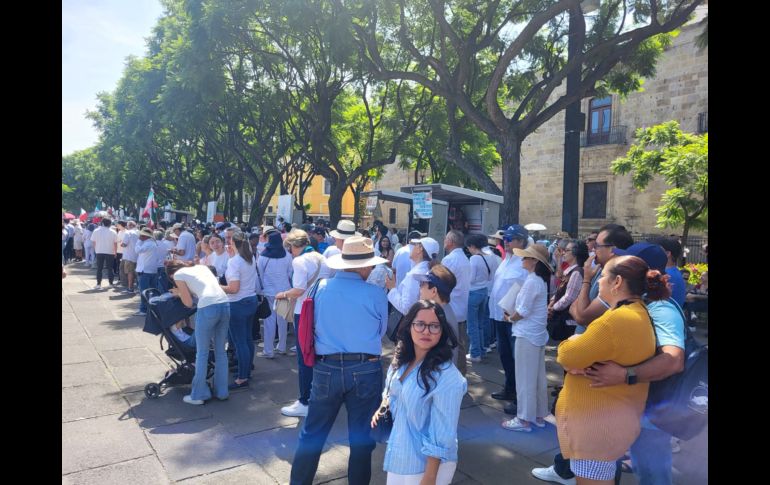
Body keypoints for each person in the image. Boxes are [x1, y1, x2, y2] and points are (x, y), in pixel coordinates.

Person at [554, 255, 664, 484]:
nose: (599, 283)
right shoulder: (638, 312)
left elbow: (566, 355)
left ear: (617, 282)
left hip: (596, 428)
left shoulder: (614, 320)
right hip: (611, 421)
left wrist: (573, 345)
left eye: (603, 277)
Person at [289, 236, 389, 485]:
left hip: (326, 367)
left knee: (312, 434)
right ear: (364, 266)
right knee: (362, 440)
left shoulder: (320, 287)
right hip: (365, 368)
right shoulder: (376, 293)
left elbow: (310, 324)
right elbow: (381, 331)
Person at [375, 300, 467, 485]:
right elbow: (391, 389)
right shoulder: (402, 359)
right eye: (420, 324)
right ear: (409, 326)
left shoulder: (448, 378)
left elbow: (443, 432)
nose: (426, 331)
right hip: (400, 452)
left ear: (442, 331)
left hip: (425, 465)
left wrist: (430, 477)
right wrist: (383, 406)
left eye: (434, 326)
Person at [275, 229, 331, 417]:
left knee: (304, 356)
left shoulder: (299, 261)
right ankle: (318, 397)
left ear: (292, 245)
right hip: (322, 310)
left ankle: (305, 401)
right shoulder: (322, 258)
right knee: (319, 355)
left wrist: (283, 294)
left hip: (304, 312)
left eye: (289, 248)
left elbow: (298, 290)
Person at [500, 244, 552, 432]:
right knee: (537, 377)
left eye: (525, 257)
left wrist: (509, 317)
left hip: (527, 333)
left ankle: (524, 419)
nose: (522, 260)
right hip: (535, 333)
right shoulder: (539, 280)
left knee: (524, 378)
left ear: (534, 261)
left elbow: (522, 311)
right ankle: (537, 414)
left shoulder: (532, 281)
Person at [166, 260, 231, 405]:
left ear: (171, 274)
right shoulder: (202, 267)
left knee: (202, 353)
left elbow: (188, 303)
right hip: (225, 304)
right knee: (221, 351)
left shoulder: (178, 274)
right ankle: (222, 392)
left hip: (208, 308)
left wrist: (178, 293)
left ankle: (198, 394)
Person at [487, 225, 529, 410]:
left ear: (521, 240)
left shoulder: (524, 262)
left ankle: (521, 398)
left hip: (512, 317)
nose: (506, 241)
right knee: (505, 356)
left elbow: (525, 290)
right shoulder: (507, 259)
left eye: (510, 239)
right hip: (499, 315)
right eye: (505, 238)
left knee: (517, 358)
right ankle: (509, 387)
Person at [220, 231, 258, 389]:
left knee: (240, 341)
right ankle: (246, 370)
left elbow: (234, 288)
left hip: (237, 304)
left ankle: (242, 377)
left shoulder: (235, 261)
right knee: (248, 339)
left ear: (234, 244)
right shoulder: (250, 257)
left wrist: (217, 286)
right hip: (251, 301)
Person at [256, 230, 293, 358]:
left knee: (269, 322)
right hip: (284, 291)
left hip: (269, 292)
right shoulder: (287, 255)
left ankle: (268, 350)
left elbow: (260, 273)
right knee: (282, 320)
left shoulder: (263, 256)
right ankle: (282, 347)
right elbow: (290, 273)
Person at [386, 237, 440, 315]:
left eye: (415, 245)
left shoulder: (414, 275)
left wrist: (392, 289)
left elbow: (407, 308)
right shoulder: (427, 269)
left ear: (420, 249)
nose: (412, 247)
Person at [441, 230, 471, 376]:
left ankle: (456, 375)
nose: (444, 240)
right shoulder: (465, 258)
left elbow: (441, 282)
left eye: (446, 238)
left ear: (451, 242)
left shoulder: (449, 260)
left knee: (453, 344)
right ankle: (461, 374)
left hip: (451, 307)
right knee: (460, 344)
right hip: (461, 307)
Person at [466, 234, 497, 362]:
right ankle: (482, 350)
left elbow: (471, 278)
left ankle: (475, 353)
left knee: (472, 325)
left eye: (468, 247)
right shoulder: (491, 257)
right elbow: (491, 277)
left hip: (473, 292)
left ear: (473, 246)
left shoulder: (474, 259)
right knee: (480, 323)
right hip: (484, 291)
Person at [548, 240, 589, 338]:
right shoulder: (571, 271)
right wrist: (552, 302)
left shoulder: (576, 272)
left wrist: (553, 307)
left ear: (575, 253)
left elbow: (569, 297)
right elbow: (561, 290)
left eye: (566, 250)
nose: (563, 253)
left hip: (569, 320)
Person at [134, 228, 159, 317]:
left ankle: (143, 309)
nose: (139, 237)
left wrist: (138, 241)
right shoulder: (153, 243)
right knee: (153, 291)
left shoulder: (147, 244)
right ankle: (153, 308)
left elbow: (137, 250)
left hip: (145, 270)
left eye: (141, 235)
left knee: (143, 291)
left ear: (144, 236)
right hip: (152, 270)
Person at [91, 218, 118, 290]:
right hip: (110, 251)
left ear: (102, 223)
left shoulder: (96, 231)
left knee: (99, 268)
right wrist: (115, 252)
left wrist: (96, 250)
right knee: (110, 268)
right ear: (110, 224)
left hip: (99, 251)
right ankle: (111, 283)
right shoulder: (113, 231)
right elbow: (115, 243)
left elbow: (93, 242)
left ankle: (98, 284)